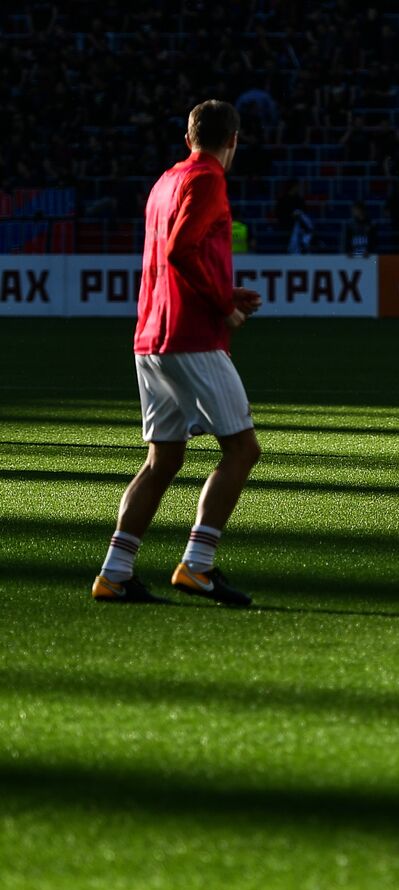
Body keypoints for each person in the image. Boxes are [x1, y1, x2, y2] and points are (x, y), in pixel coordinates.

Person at [92, 99, 263, 606]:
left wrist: (226, 294)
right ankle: (197, 564)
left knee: (163, 458)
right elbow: (180, 250)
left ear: (188, 137)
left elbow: (170, 257)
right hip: (190, 336)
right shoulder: (209, 179)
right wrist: (221, 307)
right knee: (243, 448)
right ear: (233, 140)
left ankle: (115, 572)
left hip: (152, 336)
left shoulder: (165, 181)